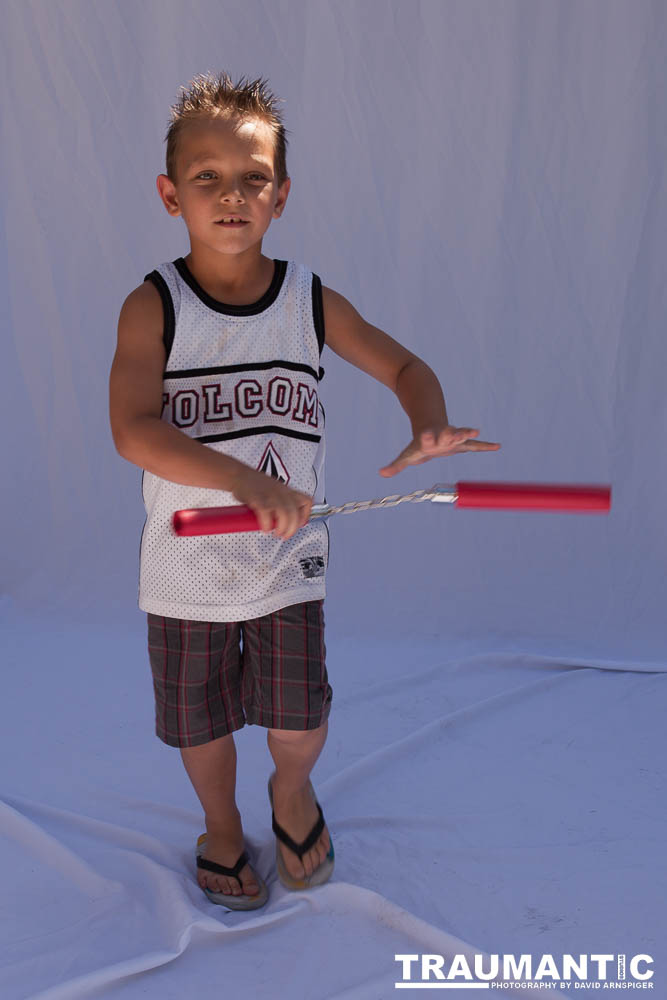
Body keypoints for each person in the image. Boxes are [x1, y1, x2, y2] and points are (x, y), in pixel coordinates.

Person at [108, 71, 500, 911]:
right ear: (169, 193)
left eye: (252, 178)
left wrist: (426, 421)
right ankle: (220, 825)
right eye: (206, 178)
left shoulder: (308, 300)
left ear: (280, 195)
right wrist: (243, 478)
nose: (231, 195)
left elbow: (403, 366)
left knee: (298, 718)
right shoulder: (154, 306)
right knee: (202, 723)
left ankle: (291, 792)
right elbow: (134, 429)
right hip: (186, 570)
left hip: (289, 558)